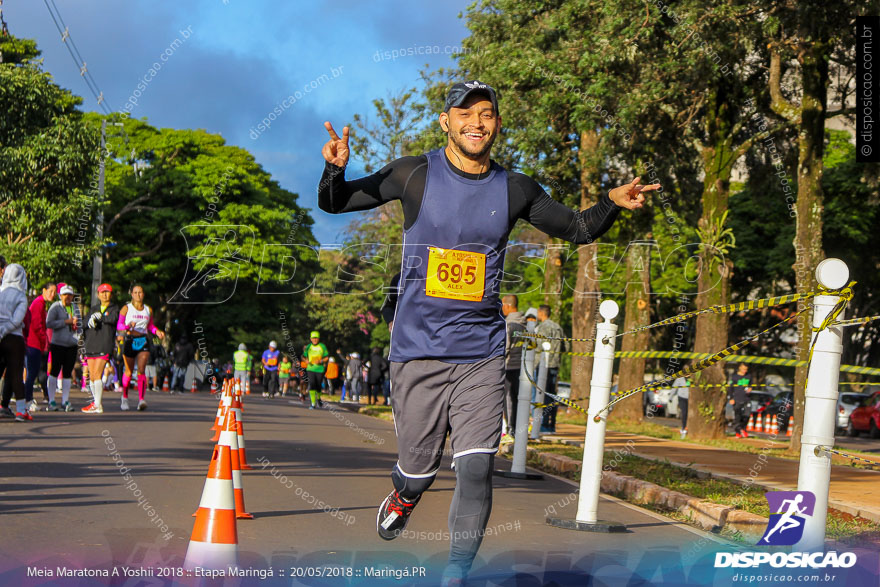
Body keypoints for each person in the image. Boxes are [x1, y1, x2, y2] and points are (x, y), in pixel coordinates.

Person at [318, 80, 655, 583]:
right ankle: (406, 494)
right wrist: (334, 168)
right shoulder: (413, 174)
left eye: (487, 114)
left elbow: (577, 228)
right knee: (419, 471)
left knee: (477, 467)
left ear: (496, 124)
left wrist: (610, 201)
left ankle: (457, 572)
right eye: (465, 113)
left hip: (481, 351)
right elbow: (334, 203)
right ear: (444, 122)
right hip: (417, 351)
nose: (476, 123)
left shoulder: (515, 188)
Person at [116, 284, 166, 410]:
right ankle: (125, 397)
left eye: (140, 292)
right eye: (135, 292)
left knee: (142, 369)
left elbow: (150, 326)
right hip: (129, 340)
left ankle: (141, 400)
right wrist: (128, 326)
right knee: (128, 371)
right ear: (132, 294)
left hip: (143, 340)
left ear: (143, 294)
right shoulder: (126, 308)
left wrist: (157, 332)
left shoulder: (148, 310)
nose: (138, 295)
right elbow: (119, 325)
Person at [81, 283, 120, 414]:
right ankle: (95, 402)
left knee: (98, 373)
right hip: (91, 343)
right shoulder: (93, 309)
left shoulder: (114, 308)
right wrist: (90, 320)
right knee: (92, 376)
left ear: (111, 294)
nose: (104, 294)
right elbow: (84, 323)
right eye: (102, 292)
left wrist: (102, 318)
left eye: (107, 292)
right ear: (98, 294)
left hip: (104, 343)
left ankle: (97, 404)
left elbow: (113, 319)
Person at [45, 284, 82, 412]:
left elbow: (80, 325)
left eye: (70, 295)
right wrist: (65, 322)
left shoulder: (75, 307)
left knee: (67, 373)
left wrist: (79, 336)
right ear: (60, 296)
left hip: (71, 344)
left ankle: (65, 401)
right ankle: (51, 401)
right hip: (57, 344)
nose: (67, 297)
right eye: (65, 294)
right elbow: (48, 323)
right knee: (54, 371)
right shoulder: (55, 307)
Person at [0, 264, 29, 421]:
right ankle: (21, 411)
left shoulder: (1, 292)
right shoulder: (20, 296)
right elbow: (18, 319)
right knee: (16, 374)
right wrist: (6, 329)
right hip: (14, 338)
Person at [24, 282, 55, 411]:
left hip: (34, 343)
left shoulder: (40, 303)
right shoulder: (38, 303)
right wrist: (44, 340)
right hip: (33, 343)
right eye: (50, 291)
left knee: (33, 373)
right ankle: (28, 401)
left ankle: (28, 400)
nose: (52, 295)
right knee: (32, 373)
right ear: (43, 290)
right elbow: (37, 325)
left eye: (54, 292)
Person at [535, 304, 565, 434]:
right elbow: (566, 346)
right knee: (553, 394)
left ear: (541, 313)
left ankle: (544, 425)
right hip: (555, 363)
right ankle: (552, 424)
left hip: (543, 364)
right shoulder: (558, 327)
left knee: (543, 395)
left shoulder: (542, 327)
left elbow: (539, 346)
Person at [500, 295, 526, 438]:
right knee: (517, 399)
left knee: (508, 399)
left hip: (509, 367)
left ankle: (510, 429)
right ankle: (515, 428)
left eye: (502, 304)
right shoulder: (526, 324)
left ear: (508, 306)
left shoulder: (508, 325)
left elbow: (505, 348)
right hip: (522, 367)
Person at [302, 331, 329, 409]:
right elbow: (303, 356)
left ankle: (319, 398)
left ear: (318, 339)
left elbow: (327, 357)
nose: (315, 339)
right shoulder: (308, 347)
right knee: (312, 384)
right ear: (310, 339)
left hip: (320, 369)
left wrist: (320, 361)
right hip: (310, 368)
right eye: (313, 338)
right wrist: (305, 360)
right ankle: (313, 403)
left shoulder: (322, 346)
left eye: (316, 338)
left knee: (318, 385)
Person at [727, 363, 752, 438]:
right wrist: (731, 398)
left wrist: (750, 388)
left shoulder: (749, 376)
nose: (745, 371)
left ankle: (743, 429)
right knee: (738, 416)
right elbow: (730, 388)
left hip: (747, 398)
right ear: (740, 368)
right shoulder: (735, 377)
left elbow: (751, 385)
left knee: (747, 415)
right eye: (743, 369)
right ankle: (738, 431)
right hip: (737, 399)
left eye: (746, 369)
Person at [673, 370, 690, 438]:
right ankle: (683, 428)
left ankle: (686, 428)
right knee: (684, 413)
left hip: (689, 398)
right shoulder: (680, 379)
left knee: (689, 413)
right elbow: (674, 387)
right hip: (682, 398)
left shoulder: (692, 379)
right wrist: (671, 397)